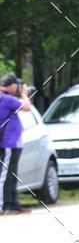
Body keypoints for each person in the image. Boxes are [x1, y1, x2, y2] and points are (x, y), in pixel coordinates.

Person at [0, 72, 32, 214]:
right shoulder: (6, 99)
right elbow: (27, 107)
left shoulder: (5, 98)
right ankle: (6, 205)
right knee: (6, 175)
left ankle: (13, 204)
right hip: (9, 143)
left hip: (12, 143)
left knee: (12, 174)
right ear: (12, 85)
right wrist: (24, 94)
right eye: (16, 85)